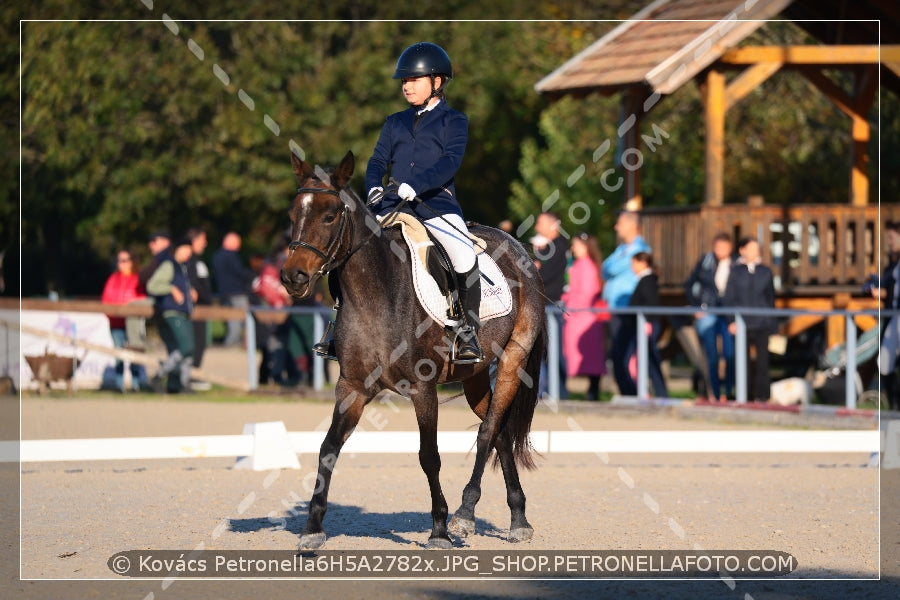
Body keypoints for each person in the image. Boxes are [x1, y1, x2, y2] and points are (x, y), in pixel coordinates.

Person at [361, 41, 482, 364]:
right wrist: (373, 186)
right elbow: (377, 161)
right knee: (350, 246)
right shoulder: (394, 122)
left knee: (462, 253)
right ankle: (339, 325)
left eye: (413, 80)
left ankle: (468, 331)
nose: (407, 86)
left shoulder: (454, 121)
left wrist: (417, 184)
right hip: (391, 205)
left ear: (437, 82)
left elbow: (450, 162)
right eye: (404, 81)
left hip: (435, 204)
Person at [602, 211, 650, 395]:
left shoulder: (640, 249)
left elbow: (611, 267)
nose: (616, 227)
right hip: (616, 309)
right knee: (617, 355)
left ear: (631, 225)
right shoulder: (622, 249)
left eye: (619, 223)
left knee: (624, 355)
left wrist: (613, 267)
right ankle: (627, 393)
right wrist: (613, 267)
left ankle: (632, 393)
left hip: (628, 310)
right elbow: (605, 267)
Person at [724, 237, 777, 403]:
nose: (755, 252)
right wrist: (731, 320)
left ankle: (763, 395)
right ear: (742, 250)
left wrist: (774, 327)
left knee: (763, 361)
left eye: (757, 248)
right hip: (742, 323)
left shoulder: (765, 271)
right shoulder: (735, 271)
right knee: (743, 361)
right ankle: (744, 395)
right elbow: (729, 298)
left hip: (762, 322)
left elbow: (770, 300)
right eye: (751, 248)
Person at [685, 232, 736, 402]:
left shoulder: (736, 263)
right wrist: (695, 306)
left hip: (728, 313)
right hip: (708, 310)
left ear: (730, 248)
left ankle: (728, 392)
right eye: (717, 247)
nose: (720, 251)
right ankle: (713, 392)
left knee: (729, 353)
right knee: (711, 355)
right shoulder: (706, 261)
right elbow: (690, 284)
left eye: (724, 247)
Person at [147, 236, 196, 393]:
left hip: (184, 312)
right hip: (172, 312)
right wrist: (172, 289)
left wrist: (189, 293)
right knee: (185, 347)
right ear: (178, 248)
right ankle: (159, 376)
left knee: (188, 350)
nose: (189, 253)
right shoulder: (169, 265)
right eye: (186, 249)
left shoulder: (182, 267)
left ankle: (183, 383)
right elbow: (153, 285)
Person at [560, 232, 606, 400]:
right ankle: (592, 390)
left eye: (576, 245)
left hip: (583, 317)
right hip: (580, 315)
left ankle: (593, 391)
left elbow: (586, 292)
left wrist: (568, 304)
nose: (573, 248)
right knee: (589, 356)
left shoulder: (586, 266)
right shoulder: (584, 264)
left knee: (590, 356)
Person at [532, 211, 570, 398]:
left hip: (552, 305)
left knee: (553, 351)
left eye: (540, 223)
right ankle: (548, 389)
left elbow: (544, 274)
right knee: (544, 350)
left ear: (552, 224)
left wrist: (536, 267)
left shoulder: (560, 246)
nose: (537, 228)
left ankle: (559, 391)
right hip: (543, 304)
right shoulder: (548, 247)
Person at [100, 249, 148, 392]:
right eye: (119, 260)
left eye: (124, 260)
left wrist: (131, 310)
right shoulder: (113, 279)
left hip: (132, 322)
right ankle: (119, 384)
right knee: (118, 354)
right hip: (116, 322)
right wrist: (111, 314)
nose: (120, 263)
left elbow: (142, 299)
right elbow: (106, 299)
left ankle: (135, 384)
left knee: (134, 353)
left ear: (132, 262)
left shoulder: (138, 279)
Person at [865, 220, 900, 409]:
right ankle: (895, 404)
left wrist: (883, 292)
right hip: (892, 317)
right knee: (885, 363)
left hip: (897, 317)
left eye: (893, 238)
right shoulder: (892, 265)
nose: (890, 242)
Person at [626, 251, 668, 398]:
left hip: (646, 326)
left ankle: (647, 393)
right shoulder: (646, 280)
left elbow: (650, 305)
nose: (632, 267)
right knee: (648, 361)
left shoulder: (648, 281)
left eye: (634, 263)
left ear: (643, 263)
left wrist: (647, 323)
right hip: (645, 325)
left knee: (639, 361)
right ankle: (656, 393)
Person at [212, 232, 254, 347]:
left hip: (223, 293)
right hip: (237, 293)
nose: (238, 247)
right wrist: (252, 274)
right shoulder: (231, 255)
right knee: (237, 322)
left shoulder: (217, 256)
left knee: (230, 321)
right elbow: (239, 272)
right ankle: (230, 346)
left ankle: (231, 344)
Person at [185, 228, 213, 389]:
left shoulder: (196, 261)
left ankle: (192, 374)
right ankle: (190, 376)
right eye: (203, 240)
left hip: (202, 309)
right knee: (196, 342)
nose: (205, 243)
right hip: (194, 310)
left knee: (200, 343)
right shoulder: (190, 261)